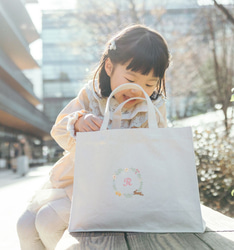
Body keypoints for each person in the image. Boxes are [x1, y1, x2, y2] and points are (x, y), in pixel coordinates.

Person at [17, 24, 170, 250]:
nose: (139, 90)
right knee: (24, 225)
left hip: (118, 190)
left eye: (149, 84)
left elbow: (158, 152)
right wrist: (78, 121)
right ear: (109, 66)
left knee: (47, 221)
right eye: (131, 79)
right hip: (79, 180)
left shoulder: (152, 107)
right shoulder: (92, 94)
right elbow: (59, 129)